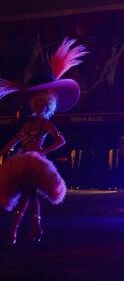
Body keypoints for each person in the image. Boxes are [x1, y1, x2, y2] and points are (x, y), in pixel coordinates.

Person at [0, 38, 87, 245]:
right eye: (36, 103)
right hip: (24, 161)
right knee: (30, 195)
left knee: (28, 195)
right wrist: (4, 149)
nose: (38, 107)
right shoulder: (29, 124)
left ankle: (15, 231)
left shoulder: (45, 125)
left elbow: (61, 140)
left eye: (42, 104)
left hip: (36, 162)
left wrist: (44, 149)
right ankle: (36, 228)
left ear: (47, 106)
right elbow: (16, 139)